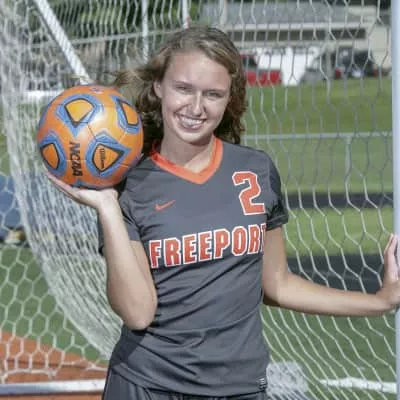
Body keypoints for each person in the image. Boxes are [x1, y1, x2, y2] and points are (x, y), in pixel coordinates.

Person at [46, 26, 400, 400]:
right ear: (159, 86)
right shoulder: (128, 184)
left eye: (213, 94)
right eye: (183, 88)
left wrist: (379, 302)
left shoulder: (256, 171)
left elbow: (277, 284)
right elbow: (137, 313)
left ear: (230, 97)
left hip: (239, 389)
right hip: (148, 386)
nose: (196, 107)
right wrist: (107, 208)